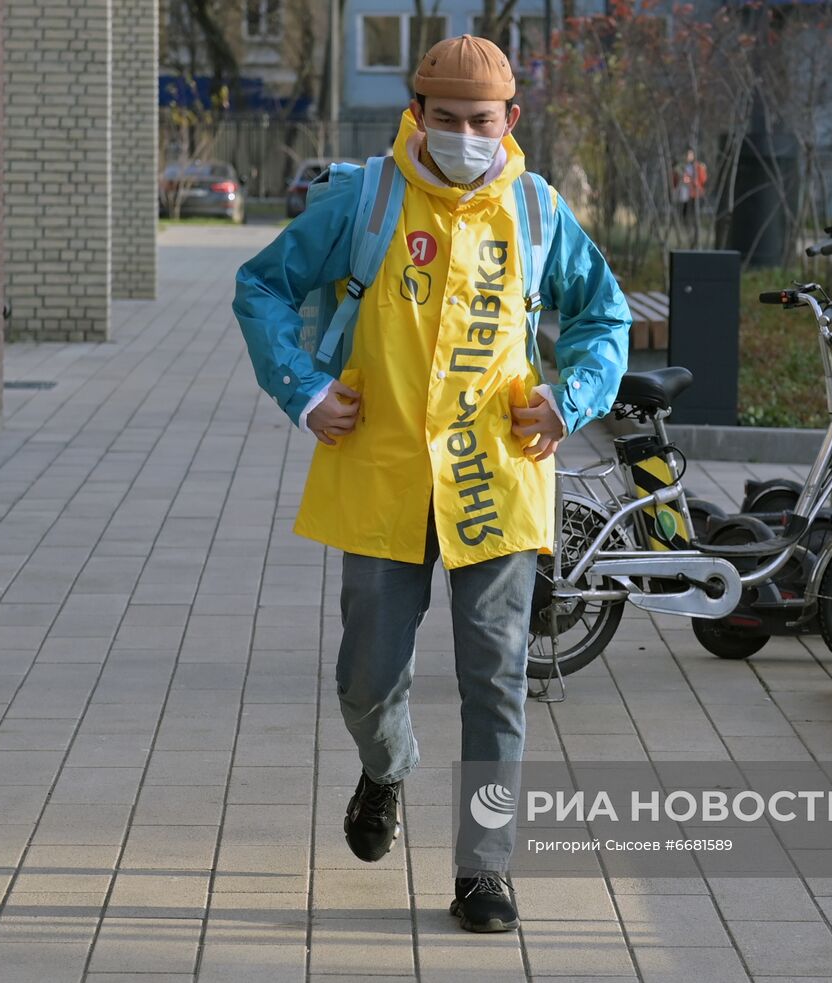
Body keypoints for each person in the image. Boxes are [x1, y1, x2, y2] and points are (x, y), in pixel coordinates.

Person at [232, 35, 629, 933]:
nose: (461, 135)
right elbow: (262, 288)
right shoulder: (364, 201)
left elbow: (603, 314)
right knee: (366, 679)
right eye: (443, 119)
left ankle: (483, 869)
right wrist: (303, 392)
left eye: (479, 121)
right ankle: (388, 766)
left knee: (496, 680)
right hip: (382, 478)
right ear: (416, 114)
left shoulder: (537, 212)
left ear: (510, 122)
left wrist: (571, 398)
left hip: (498, 483)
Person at [674, 147, 707, 239]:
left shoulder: (699, 166)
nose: (688, 156)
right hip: (684, 194)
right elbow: (676, 180)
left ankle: (695, 231)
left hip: (695, 193)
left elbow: (703, 180)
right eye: (687, 154)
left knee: (695, 213)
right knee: (685, 213)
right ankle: (687, 230)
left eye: (690, 154)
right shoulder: (680, 167)